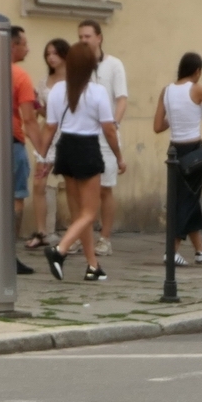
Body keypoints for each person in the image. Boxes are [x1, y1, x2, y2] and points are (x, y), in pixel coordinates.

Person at [46, 41, 122, 283]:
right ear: (91, 65)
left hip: (65, 148)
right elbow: (109, 130)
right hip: (87, 147)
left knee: (79, 214)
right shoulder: (97, 91)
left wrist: (43, 157)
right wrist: (119, 157)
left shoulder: (58, 89)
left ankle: (93, 266)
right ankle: (60, 250)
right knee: (89, 213)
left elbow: (50, 126)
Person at [156, 50, 202, 266]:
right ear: (197, 71)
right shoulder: (196, 89)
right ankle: (172, 250)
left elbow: (157, 126)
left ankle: (200, 248)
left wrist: (176, 117)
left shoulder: (166, 91)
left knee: (186, 198)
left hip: (174, 151)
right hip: (193, 150)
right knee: (187, 201)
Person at [76, 20, 131, 254]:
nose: (83, 40)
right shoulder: (79, 65)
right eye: (80, 36)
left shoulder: (114, 65)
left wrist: (114, 124)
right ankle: (82, 235)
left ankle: (105, 238)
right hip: (83, 134)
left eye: (87, 36)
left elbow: (121, 98)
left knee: (105, 188)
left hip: (106, 136)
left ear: (99, 37)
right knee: (82, 188)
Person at [8, 27, 42, 274]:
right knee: (16, 198)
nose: (27, 49)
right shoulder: (20, 77)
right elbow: (29, 120)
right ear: (12, 46)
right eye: (24, 44)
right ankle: (8, 253)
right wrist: (43, 151)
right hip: (12, 142)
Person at [30, 38, 69, 250]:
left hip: (69, 134)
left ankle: (78, 234)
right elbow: (44, 111)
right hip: (48, 135)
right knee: (38, 183)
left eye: (55, 53)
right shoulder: (44, 82)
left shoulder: (75, 80)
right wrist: (38, 107)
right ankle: (41, 232)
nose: (51, 57)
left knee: (75, 187)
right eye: (47, 54)